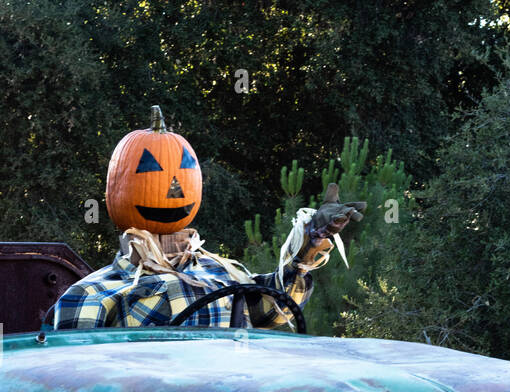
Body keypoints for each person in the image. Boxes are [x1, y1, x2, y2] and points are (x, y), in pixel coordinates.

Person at [53, 106, 365, 331]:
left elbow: (274, 311)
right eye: (150, 169)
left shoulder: (223, 275)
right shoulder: (93, 295)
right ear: (117, 185)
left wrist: (309, 243)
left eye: (185, 168)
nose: (174, 189)